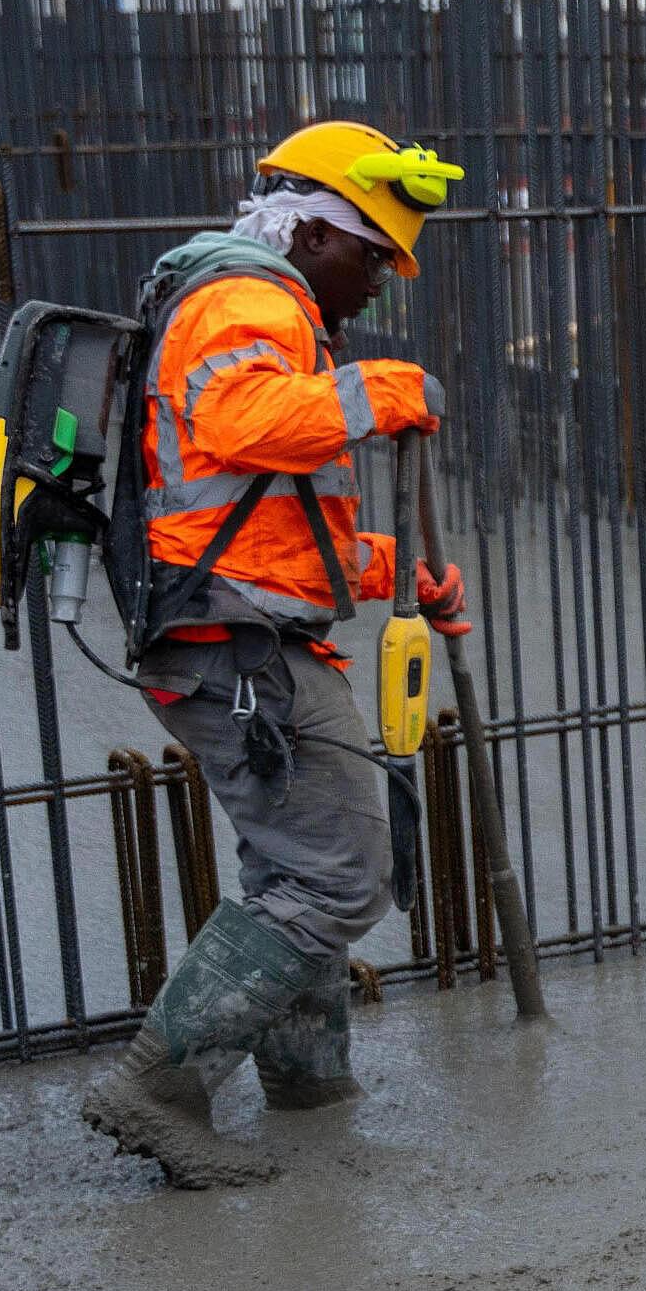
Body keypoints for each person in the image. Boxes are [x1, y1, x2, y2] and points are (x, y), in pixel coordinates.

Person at [80, 121, 467, 1190]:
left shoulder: (261, 304)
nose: (382, 284)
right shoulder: (247, 298)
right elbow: (244, 420)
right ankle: (157, 1087)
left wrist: (399, 573)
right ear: (311, 229)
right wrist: (385, 392)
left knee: (297, 867)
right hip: (231, 647)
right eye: (373, 255)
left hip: (233, 631)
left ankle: (306, 1085)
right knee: (345, 867)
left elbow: (262, 512)